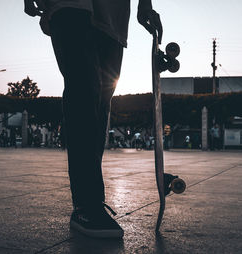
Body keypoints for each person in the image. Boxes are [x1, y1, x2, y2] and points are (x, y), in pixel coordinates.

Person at [24, 0, 162, 238]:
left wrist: (145, 4)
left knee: (100, 103)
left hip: (112, 15)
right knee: (83, 92)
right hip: (71, 6)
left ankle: (88, 203)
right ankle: (87, 205)